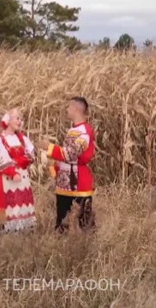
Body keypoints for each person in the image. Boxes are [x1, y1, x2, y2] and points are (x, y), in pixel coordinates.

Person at [39, 97, 96, 233]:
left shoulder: (85, 132)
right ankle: (63, 251)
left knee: (85, 225)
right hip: (66, 184)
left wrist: (50, 148)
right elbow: (67, 158)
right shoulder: (73, 130)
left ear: (76, 109)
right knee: (61, 224)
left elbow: (71, 154)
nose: (66, 110)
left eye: (69, 107)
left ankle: (86, 250)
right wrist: (54, 167)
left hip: (79, 183)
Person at [0, 109, 36, 233]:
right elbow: (0, 159)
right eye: (17, 118)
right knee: (9, 206)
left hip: (23, 178)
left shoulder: (23, 139)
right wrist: (12, 172)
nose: (20, 121)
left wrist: (17, 162)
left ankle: (24, 233)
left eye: (21, 119)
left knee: (23, 204)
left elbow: (31, 155)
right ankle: (8, 235)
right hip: (7, 179)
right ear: (8, 120)